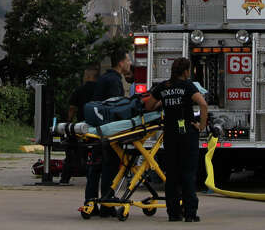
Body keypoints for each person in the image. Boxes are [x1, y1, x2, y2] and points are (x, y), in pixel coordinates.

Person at [144, 56, 208, 222]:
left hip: (170, 135)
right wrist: (201, 126)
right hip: (187, 134)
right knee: (188, 174)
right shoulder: (188, 86)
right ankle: (190, 213)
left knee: (172, 175)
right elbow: (203, 104)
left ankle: (173, 213)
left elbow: (149, 106)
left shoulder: (163, 86)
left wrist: (164, 103)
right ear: (186, 71)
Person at [85, 50, 131, 215]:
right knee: (109, 168)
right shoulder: (114, 81)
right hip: (109, 132)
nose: (130, 63)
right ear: (120, 63)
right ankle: (107, 205)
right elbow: (115, 107)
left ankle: (90, 204)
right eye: (128, 60)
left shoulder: (104, 78)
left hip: (98, 129)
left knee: (95, 168)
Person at [60, 68, 98, 184]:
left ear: (88, 77)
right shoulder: (100, 91)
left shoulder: (79, 90)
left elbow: (72, 108)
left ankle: (65, 178)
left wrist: (69, 122)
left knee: (72, 151)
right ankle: (93, 177)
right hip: (98, 128)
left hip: (82, 127)